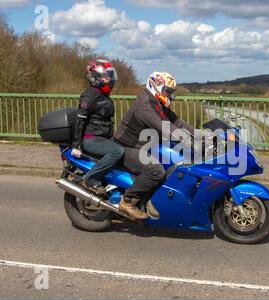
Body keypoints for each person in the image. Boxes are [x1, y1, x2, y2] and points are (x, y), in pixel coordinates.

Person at [113, 71, 195, 219]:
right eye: (167, 91)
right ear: (156, 86)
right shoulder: (145, 104)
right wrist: (186, 139)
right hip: (128, 146)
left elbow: (175, 121)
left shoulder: (157, 103)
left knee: (172, 162)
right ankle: (127, 201)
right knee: (155, 170)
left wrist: (199, 134)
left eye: (171, 92)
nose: (170, 95)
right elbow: (165, 126)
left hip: (143, 146)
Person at [72, 59, 124, 196]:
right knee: (116, 152)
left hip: (101, 137)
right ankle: (90, 179)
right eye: (105, 76)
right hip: (91, 139)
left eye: (109, 76)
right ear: (95, 77)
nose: (108, 79)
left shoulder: (102, 94)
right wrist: (76, 145)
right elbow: (80, 119)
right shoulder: (90, 94)